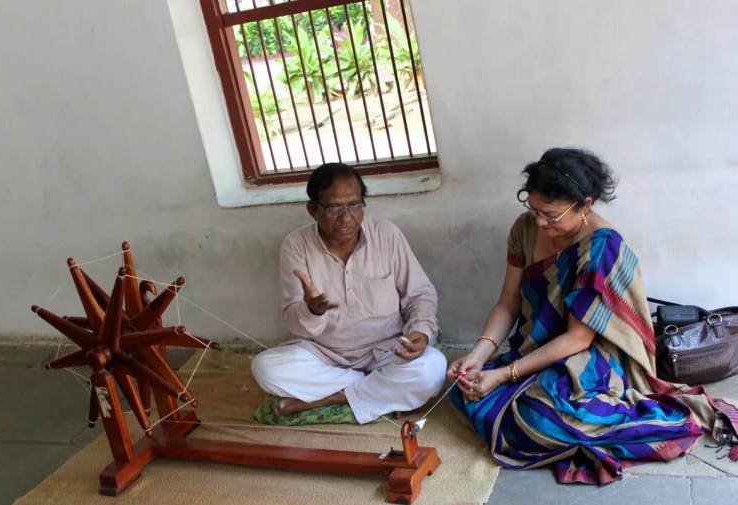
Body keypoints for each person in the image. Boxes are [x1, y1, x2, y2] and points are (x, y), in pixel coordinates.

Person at [447, 148, 737, 484]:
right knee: (462, 387)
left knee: (538, 418)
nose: (540, 222)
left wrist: (503, 375)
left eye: (551, 215)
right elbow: (508, 303)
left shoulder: (602, 248)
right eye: (534, 209)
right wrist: (479, 355)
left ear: (584, 206)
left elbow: (577, 338)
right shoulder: (525, 229)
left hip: (587, 354)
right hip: (534, 344)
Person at [251, 162, 447, 425]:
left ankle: (328, 399)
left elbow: (419, 294)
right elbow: (292, 319)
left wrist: (420, 332)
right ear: (313, 209)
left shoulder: (386, 234)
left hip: (387, 350)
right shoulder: (296, 245)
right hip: (325, 355)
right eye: (334, 208)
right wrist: (312, 310)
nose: (346, 218)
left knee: (432, 368)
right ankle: (378, 390)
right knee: (265, 368)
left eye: (355, 205)